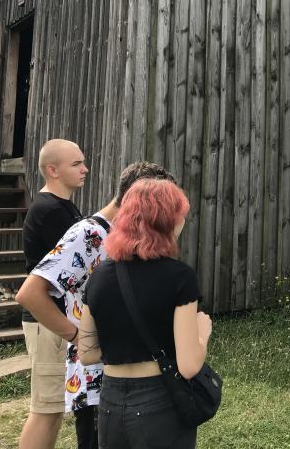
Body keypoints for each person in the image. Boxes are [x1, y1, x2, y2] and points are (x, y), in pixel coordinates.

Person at [16, 162, 176, 449]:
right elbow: (30, 294)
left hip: (125, 378)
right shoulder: (87, 234)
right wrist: (78, 337)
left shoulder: (127, 237)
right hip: (93, 381)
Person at [78, 179, 211, 449]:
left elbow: (87, 353)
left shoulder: (100, 275)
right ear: (168, 222)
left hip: (111, 401)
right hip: (158, 400)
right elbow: (188, 366)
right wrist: (202, 333)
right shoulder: (180, 277)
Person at [19, 139, 88, 449]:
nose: (85, 168)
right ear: (52, 170)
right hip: (49, 320)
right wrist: (71, 332)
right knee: (46, 410)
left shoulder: (64, 207)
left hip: (58, 320)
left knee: (55, 408)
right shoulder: (48, 211)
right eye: (76, 164)